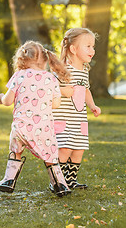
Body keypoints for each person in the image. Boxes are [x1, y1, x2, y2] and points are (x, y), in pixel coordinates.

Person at [0, 40, 72, 197]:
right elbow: (55, 104)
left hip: (21, 128)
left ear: (22, 59)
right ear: (44, 59)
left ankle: (9, 181)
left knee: (16, 151)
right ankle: (60, 184)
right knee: (50, 156)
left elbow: (8, 101)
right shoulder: (51, 78)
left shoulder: (19, 76)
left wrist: (0, 98)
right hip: (44, 128)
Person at [53, 28, 101, 190]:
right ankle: (57, 181)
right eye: (88, 46)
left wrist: (92, 105)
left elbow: (86, 90)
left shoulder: (84, 70)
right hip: (63, 118)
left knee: (78, 149)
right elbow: (49, 88)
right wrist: (61, 91)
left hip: (79, 118)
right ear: (73, 49)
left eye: (93, 47)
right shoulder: (62, 70)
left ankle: (70, 180)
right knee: (65, 149)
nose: (92, 50)